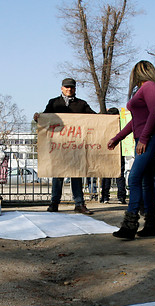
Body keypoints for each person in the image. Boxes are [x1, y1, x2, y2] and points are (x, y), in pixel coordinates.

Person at [107, 60, 155, 239]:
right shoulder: (144, 89)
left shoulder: (149, 87)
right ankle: (151, 224)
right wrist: (118, 138)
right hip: (145, 138)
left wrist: (145, 139)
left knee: (134, 178)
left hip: (151, 139)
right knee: (146, 181)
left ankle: (130, 225)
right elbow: (136, 121)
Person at [34, 78, 95, 215]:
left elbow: (94, 118)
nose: (69, 89)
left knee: (77, 174)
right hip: (59, 145)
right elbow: (45, 117)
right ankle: (54, 203)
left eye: (71, 87)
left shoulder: (81, 104)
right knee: (58, 174)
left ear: (75, 89)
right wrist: (38, 117)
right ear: (61, 88)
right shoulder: (54, 103)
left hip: (76, 145)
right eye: (66, 87)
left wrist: (108, 117)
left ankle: (79, 204)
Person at [100, 107, 127, 204]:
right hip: (119, 151)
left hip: (107, 151)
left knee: (107, 174)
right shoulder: (122, 124)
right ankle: (121, 197)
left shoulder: (105, 125)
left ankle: (105, 197)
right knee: (120, 174)